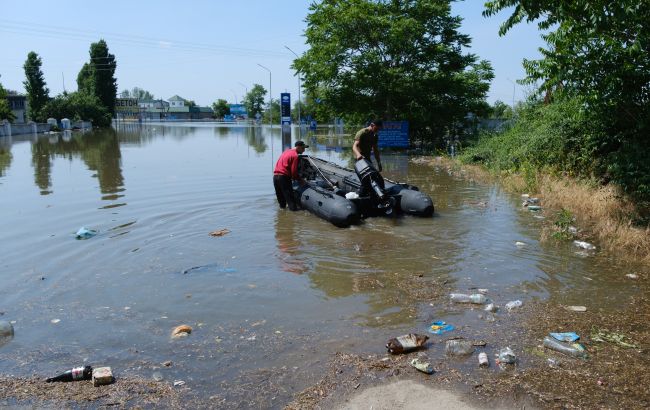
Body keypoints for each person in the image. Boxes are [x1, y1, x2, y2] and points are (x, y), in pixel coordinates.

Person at [273, 140, 308, 211]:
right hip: (284, 178)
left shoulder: (286, 152)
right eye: (303, 148)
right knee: (291, 200)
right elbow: (294, 172)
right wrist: (300, 180)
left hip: (275, 177)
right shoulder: (295, 156)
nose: (304, 150)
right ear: (298, 147)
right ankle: (293, 214)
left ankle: (282, 215)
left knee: (281, 201)